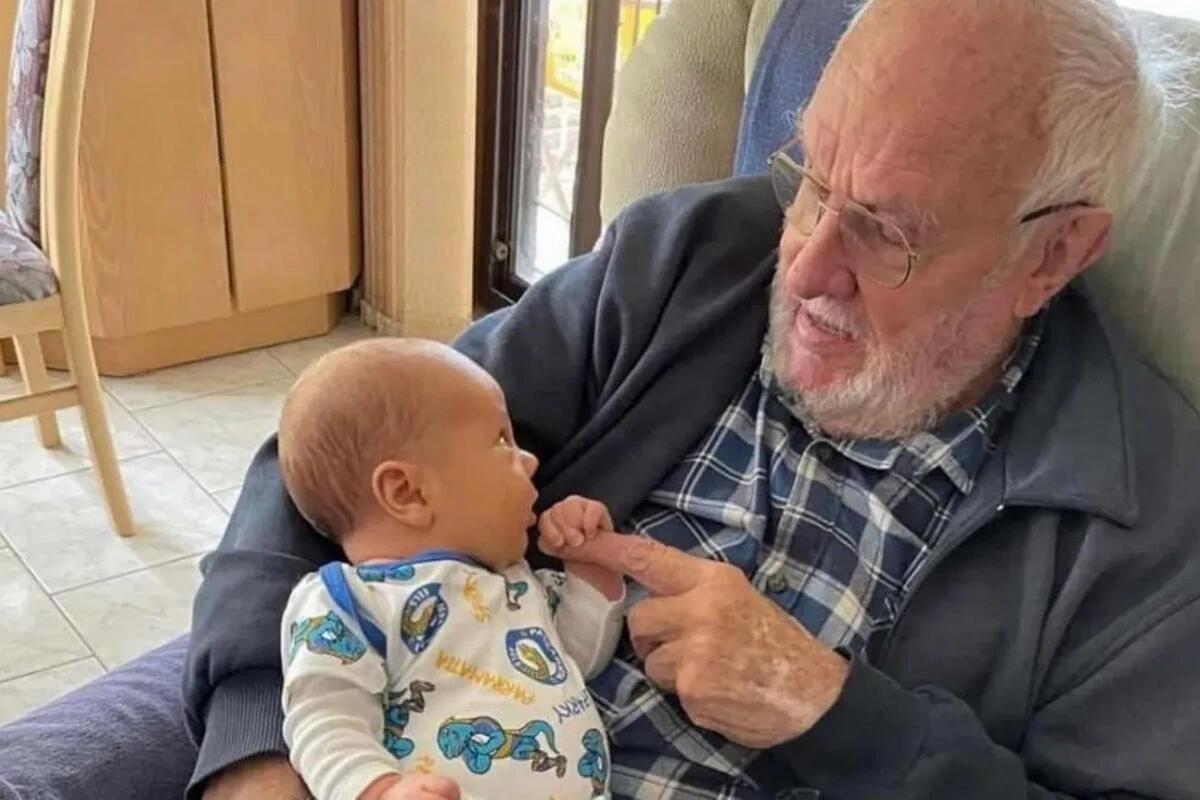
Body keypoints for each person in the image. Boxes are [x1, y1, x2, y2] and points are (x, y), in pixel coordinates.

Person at [1, 0, 1198, 798]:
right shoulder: (691, 257)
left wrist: (837, 710)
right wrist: (260, 751)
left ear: (1053, 254)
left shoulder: (1151, 525)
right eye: (812, 178)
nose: (807, 263)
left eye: (887, 229)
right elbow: (339, 446)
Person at [274, 339, 625, 800]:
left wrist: (590, 561)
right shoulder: (350, 603)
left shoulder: (520, 586)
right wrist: (379, 790)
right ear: (408, 493)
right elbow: (324, 719)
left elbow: (582, 656)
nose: (530, 460)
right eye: (502, 440)